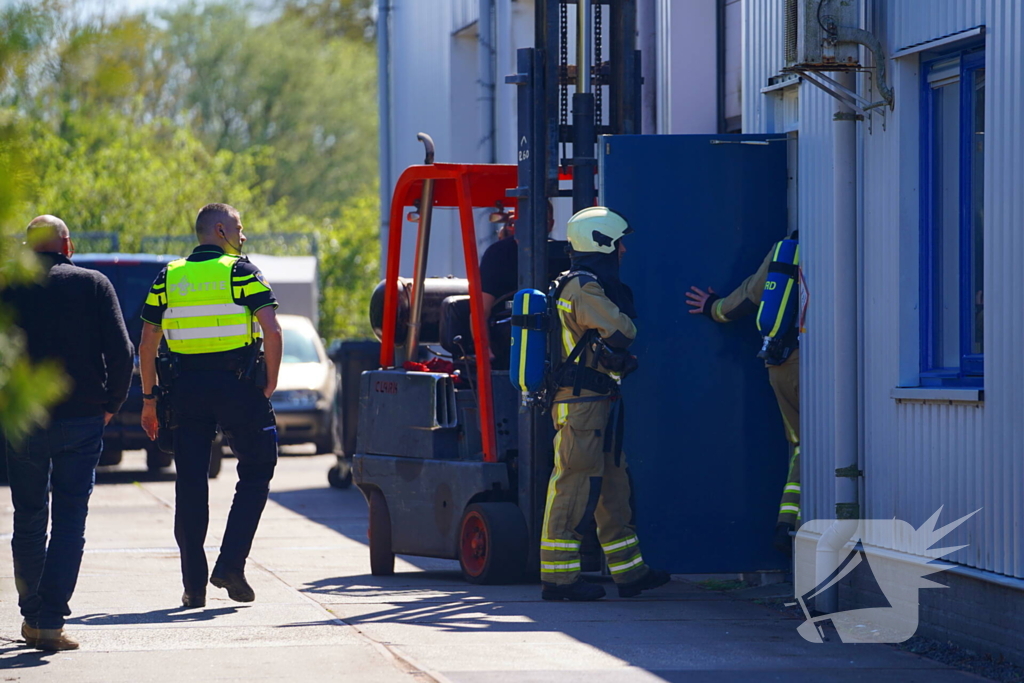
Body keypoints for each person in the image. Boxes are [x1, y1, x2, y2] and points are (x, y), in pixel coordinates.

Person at [139, 203, 283, 609]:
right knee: (257, 469)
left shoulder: (170, 275)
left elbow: (147, 342)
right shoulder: (240, 271)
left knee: (190, 483)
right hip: (237, 385)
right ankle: (231, 565)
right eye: (239, 229)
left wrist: (149, 399)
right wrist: (270, 381)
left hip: (184, 388)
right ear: (221, 229)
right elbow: (271, 329)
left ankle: (194, 586)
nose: (244, 236)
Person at [2, 215, 133, 651]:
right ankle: (49, 621)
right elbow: (121, 350)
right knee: (70, 516)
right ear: (68, 246)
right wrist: (112, 404)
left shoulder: (7, 286)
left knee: (29, 514)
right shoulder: (93, 284)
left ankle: (32, 611)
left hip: (25, 418)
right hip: (81, 417)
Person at [539, 206, 670, 601]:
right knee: (574, 484)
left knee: (613, 486)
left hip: (595, 400)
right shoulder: (584, 287)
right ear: (602, 244)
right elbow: (622, 330)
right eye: (619, 243)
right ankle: (559, 581)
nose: (624, 251)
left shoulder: (580, 283)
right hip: (581, 405)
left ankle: (630, 573)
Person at [685, 233, 801, 553]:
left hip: (782, 361)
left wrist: (714, 307)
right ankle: (796, 525)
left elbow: (752, 294)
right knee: (821, 446)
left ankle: (787, 523)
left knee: (801, 446)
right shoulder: (851, 241)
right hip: (821, 368)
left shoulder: (789, 249)